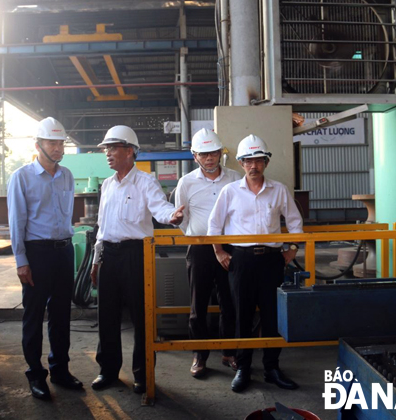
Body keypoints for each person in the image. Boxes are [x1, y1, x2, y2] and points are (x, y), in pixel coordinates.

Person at [90, 125, 184, 394]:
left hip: (136, 255)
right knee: (106, 316)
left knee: (142, 317)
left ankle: (143, 374)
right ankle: (107, 371)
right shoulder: (107, 185)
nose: (107, 153)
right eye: (106, 149)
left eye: (113, 148)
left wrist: (172, 217)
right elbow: (102, 226)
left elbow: (160, 207)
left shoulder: (146, 182)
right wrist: (97, 261)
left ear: (130, 151)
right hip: (109, 254)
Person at [208, 134, 303, 393]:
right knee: (243, 315)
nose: (253, 166)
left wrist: (292, 249)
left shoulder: (279, 190)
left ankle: (272, 368)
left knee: (273, 315)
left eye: (258, 160)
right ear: (240, 163)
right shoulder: (230, 192)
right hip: (241, 261)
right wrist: (219, 252)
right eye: (248, 161)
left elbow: (294, 222)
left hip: (272, 261)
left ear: (266, 162)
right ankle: (243, 368)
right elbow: (214, 225)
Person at [7, 117, 82, 401]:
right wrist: (21, 260)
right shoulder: (22, 177)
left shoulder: (66, 176)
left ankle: (60, 371)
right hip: (36, 254)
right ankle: (36, 375)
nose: (59, 148)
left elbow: (65, 217)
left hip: (63, 251)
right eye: (52, 142)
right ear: (37, 145)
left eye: (61, 142)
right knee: (34, 315)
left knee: (62, 314)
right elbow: (17, 222)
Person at [174, 128, 241, 378]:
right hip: (200, 250)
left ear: (220, 153)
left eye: (213, 153)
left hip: (230, 249)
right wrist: (195, 234)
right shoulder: (186, 182)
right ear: (195, 156)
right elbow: (182, 218)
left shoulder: (235, 178)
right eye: (204, 154)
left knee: (229, 302)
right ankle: (199, 355)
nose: (209, 158)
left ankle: (229, 353)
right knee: (197, 305)